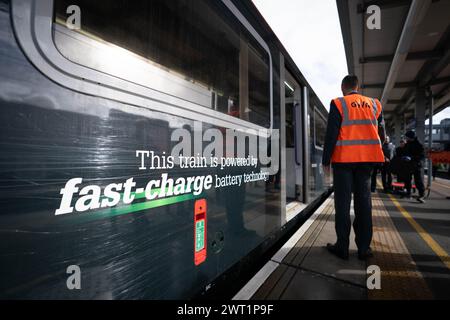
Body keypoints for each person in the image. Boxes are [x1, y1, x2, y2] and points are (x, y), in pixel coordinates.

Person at [322, 75, 386, 261]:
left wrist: (326, 160)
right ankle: (364, 248)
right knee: (364, 202)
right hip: (367, 160)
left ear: (343, 88)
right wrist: (379, 150)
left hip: (344, 160)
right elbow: (381, 131)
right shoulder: (374, 104)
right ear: (357, 86)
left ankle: (342, 246)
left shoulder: (339, 103)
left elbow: (331, 133)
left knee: (342, 203)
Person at [403, 131, 426, 203]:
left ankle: (422, 195)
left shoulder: (419, 145)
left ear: (410, 137)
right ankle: (408, 193)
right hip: (408, 165)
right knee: (407, 179)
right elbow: (404, 152)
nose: (405, 138)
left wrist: (411, 158)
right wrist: (404, 157)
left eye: (406, 137)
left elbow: (422, 156)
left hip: (416, 165)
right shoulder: (407, 144)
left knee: (418, 180)